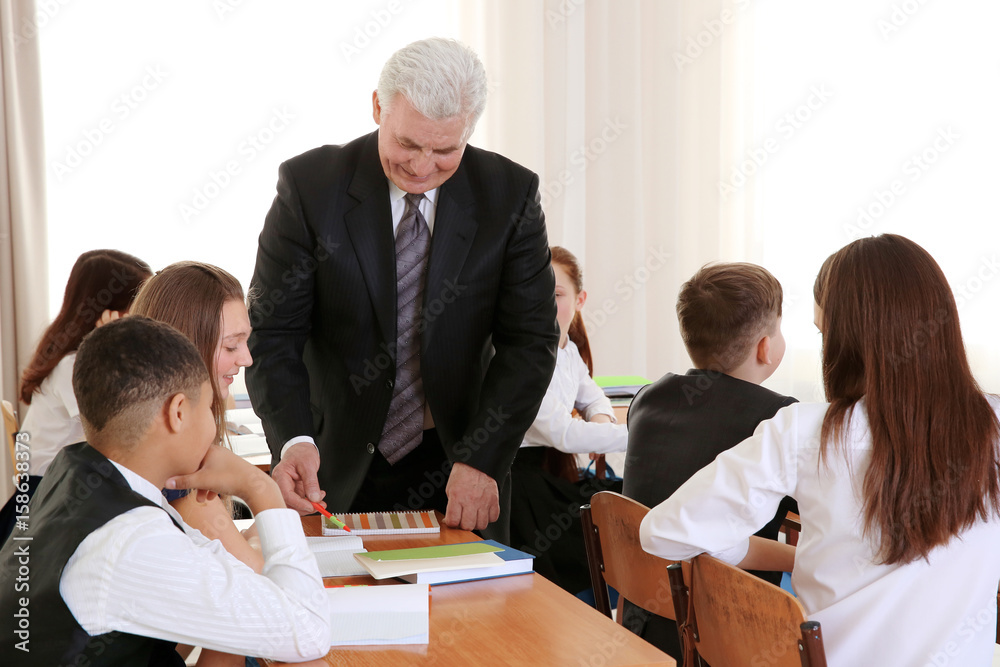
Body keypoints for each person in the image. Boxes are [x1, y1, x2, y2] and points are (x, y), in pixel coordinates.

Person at [247, 37, 559, 543]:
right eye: (408, 144)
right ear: (377, 107)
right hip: (334, 462)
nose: (421, 167)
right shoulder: (311, 187)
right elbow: (273, 331)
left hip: (460, 462)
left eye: (445, 150)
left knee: (472, 620)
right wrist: (294, 441)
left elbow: (531, 342)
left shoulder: (510, 195)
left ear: (469, 131)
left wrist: (483, 458)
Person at [639, 235, 1000, 666]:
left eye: (823, 332)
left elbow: (661, 533)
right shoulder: (992, 427)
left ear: (845, 340)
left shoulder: (802, 431)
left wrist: (746, 550)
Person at [0, 316, 330, 665]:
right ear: (178, 412)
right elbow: (308, 632)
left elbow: (230, 580)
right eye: (208, 408)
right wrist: (260, 488)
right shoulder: (129, 539)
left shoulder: (78, 474)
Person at [620, 262, 796, 658]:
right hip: (727, 634)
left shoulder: (647, 398)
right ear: (765, 347)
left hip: (644, 620)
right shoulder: (779, 418)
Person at [1, 249, 151, 543]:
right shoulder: (75, 365)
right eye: (140, 305)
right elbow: (115, 431)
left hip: (59, 487)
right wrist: (116, 347)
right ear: (111, 310)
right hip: (50, 498)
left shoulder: (70, 354)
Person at [509, 246, 627, 594]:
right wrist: (635, 437)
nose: (546, 303)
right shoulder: (524, 356)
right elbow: (562, 434)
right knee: (605, 519)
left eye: (558, 294)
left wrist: (604, 424)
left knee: (622, 501)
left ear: (579, 299)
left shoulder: (569, 351)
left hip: (545, 473)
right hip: (521, 484)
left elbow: (593, 397)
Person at [130, 262, 260, 572]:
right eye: (231, 345)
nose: (247, 358)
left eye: (245, 341)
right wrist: (263, 498)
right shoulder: (173, 460)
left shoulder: (140, 434)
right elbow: (259, 576)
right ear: (186, 348)